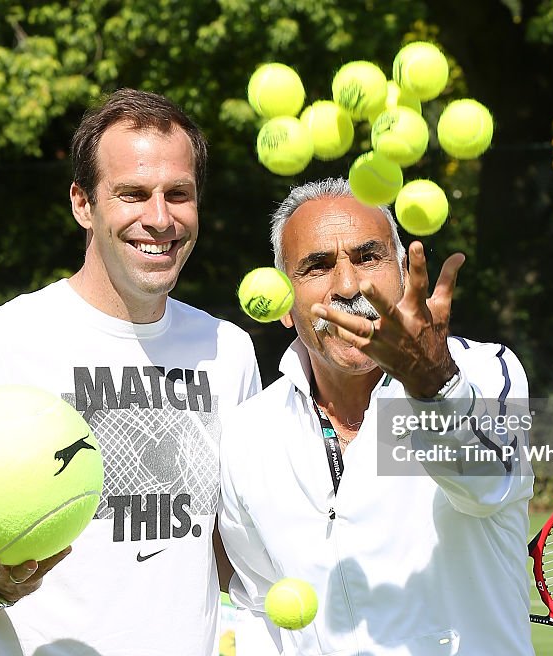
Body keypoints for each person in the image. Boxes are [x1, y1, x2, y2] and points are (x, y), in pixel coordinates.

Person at [0, 88, 261, 656]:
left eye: (179, 194)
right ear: (83, 203)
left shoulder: (231, 351)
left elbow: (234, 555)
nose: (159, 218)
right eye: (132, 193)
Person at [219, 177, 535, 656]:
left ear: (404, 277)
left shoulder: (485, 371)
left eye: (368, 257)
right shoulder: (247, 434)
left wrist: (434, 386)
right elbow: (261, 606)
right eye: (317, 266)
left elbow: (487, 484)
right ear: (285, 304)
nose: (348, 286)